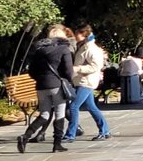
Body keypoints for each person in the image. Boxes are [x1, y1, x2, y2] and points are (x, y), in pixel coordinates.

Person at [17, 25, 77, 153]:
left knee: (44, 114)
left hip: (41, 86)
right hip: (56, 85)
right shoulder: (63, 49)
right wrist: (69, 81)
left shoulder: (39, 50)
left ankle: (25, 136)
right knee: (59, 114)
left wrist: (41, 78)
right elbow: (68, 71)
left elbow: (31, 71)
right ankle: (57, 144)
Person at [63, 24, 113, 143]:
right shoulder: (84, 47)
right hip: (82, 80)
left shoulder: (91, 49)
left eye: (77, 34)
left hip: (86, 81)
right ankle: (105, 131)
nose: (75, 36)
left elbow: (95, 67)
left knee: (74, 107)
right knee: (91, 107)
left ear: (84, 34)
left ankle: (70, 134)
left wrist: (78, 68)